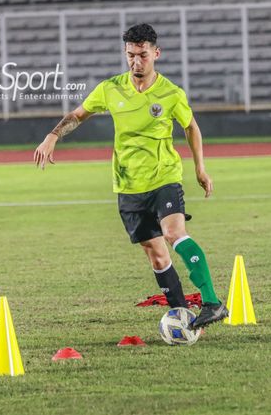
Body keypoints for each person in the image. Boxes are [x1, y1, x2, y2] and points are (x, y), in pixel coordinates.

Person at [33, 23, 228, 329]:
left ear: (156, 53)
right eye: (131, 55)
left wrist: (199, 169)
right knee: (157, 257)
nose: (137, 62)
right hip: (128, 186)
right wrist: (52, 136)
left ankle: (212, 302)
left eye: (143, 55)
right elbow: (77, 115)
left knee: (175, 233)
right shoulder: (110, 88)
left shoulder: (171, 93)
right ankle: (183, 318)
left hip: (164, 177)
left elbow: (191, 127)